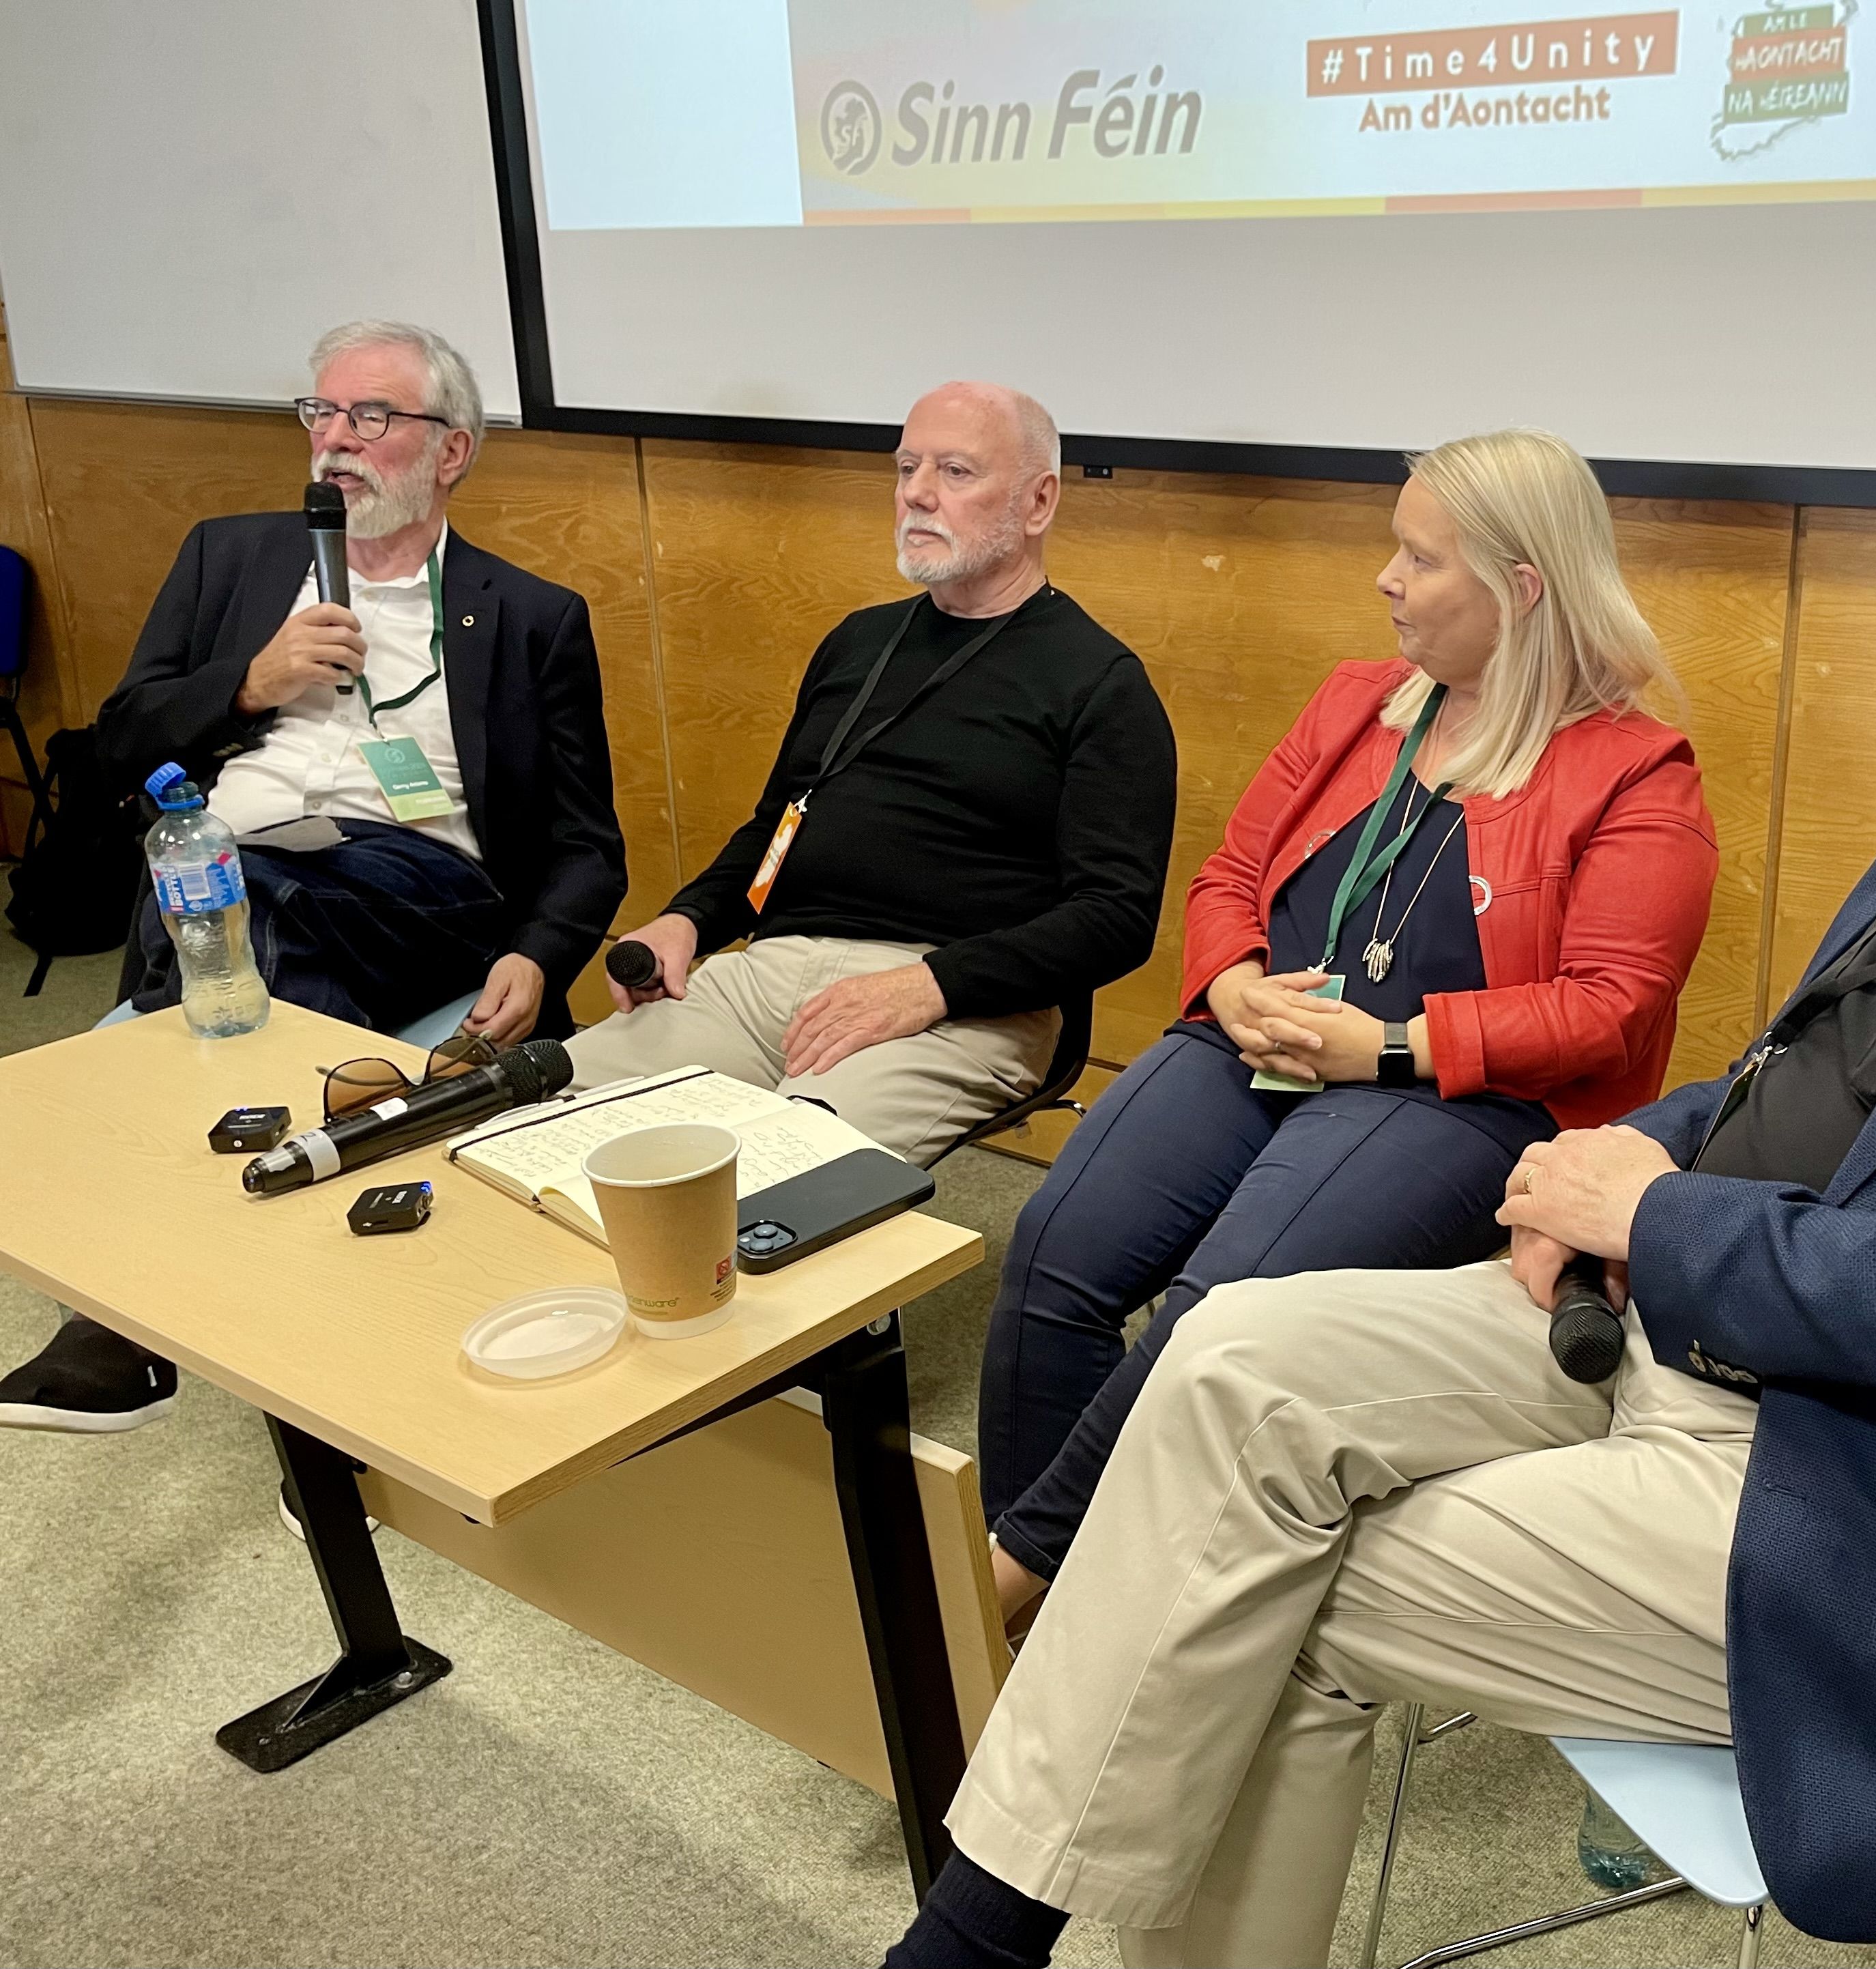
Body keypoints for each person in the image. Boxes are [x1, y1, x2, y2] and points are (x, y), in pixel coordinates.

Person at [882, 421, 1876, 1969]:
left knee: (1252, 1572)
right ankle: (983, 1927)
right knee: (1230, 1367)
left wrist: (1651, 1216)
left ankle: (977, 1936)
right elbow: (1787, 1089)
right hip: (1697, 1334)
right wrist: (1595, 1169)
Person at [977, 428, 1718, 1637]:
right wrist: (1232, 989)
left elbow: (1608, 1009)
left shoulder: (1638, 777)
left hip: (1456, 1097)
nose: (1386, 578)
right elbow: (1227, 876)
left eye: (1420, 560)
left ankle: (1018, 1592)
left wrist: (1378, 1048)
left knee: (1216, 1314)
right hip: (1264, 1039)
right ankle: (1051, 1612)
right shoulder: (1356, 705)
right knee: (1054, 1246)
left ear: (1521, 588)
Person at [0, 319, 626, 1436]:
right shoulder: (228, 558)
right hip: (234, 867)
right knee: (232, 889)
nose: (337, 440)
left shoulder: (530, 616)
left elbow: (587, 845)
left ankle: (127, 1333)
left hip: (427, 882)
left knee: (232, 897)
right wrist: (246, 684)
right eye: (321, 412)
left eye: (373, 417)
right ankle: (330, 1384)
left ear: (452, 451)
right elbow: (113, 749)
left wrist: (540, 954)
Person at [565, 382, 1174, 1167]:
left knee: (779, 1169)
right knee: (560, 1124)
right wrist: (688, 921)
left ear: (1038, 501)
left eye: (954, 472)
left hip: (961, 1001)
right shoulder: (860, 642)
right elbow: (777, 827)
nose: (917, 493)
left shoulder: (1101, 682)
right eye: (907, 467)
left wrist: (930, 985)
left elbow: (1115, 917)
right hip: (771, 972)